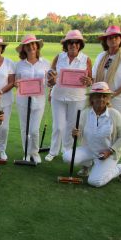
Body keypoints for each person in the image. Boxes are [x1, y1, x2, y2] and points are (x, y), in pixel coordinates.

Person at [63, 82, 121, 187]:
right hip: (90, 149)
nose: (101, 99)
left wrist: (110, 151)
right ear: (92, 98)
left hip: (108, 154)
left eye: (104, 96)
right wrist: (75, 134)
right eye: (98, 96)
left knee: (95, 182)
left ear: (108, 99)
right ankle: (88, 166)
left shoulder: (114, 115)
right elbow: (79, 135)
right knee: (67, 157)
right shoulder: (85, 113)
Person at [45, 30, 93, 162]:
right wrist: (51, 78)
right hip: (58, 96)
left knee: (72, 127)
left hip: (77, 98)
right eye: (70, 42)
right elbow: (51, 72)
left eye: (76, 42)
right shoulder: (59, 57)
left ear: (80, 44)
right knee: (58, 126)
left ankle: (67, 150)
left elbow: (90, 79)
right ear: (66, 44)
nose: (73, 45)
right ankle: (53, 151)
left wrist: (89, 81)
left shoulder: (86, 59)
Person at [15, 34, 50, 164]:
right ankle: (26, 153)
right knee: (24, 128)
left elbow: (49, 81)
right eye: (28, 45)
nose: (31, 47)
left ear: (37, 46)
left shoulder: (45, 63)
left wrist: (50, 82)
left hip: (39, 101)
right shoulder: (19, 65)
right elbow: (16, 81)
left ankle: (34, 152)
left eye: (33, 44)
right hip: (23, 101)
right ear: (24, 48)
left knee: (34, 130)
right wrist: (17, 84)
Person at [93, 25, 121, 116]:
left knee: (114, 124)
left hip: (117, 99)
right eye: (110, 37)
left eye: (116, 37)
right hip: (99, 98)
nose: (113, 40)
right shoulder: (101, 56)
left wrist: (112, 95)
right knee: (98, 123)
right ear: (106, 40)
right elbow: (93, 76)